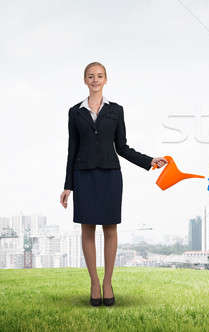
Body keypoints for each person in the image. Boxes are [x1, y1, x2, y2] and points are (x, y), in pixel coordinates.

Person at [59, 62, 167, 307]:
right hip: (83, 174)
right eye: (90, 76)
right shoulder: (75, 112)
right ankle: (94, 283)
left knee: (110, 228)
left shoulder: (116, 110)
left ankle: (108, 283)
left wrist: (149, 160)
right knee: (87, 228)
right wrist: (68, 185)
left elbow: (123, 147)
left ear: (106, 79)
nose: (95, 80)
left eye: (99, 76)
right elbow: (72, 149)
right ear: (85, 80)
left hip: (110, 175)